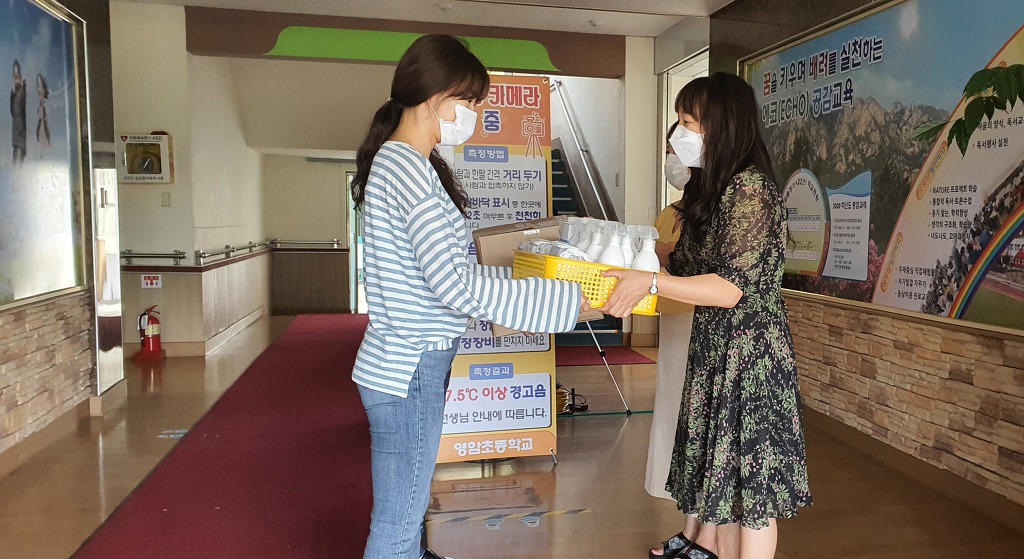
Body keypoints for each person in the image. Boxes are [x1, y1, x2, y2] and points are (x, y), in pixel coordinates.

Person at [350, 34, 589, 559]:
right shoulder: (408, 169)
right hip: (409, 366)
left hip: (405, 362)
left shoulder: (405, 163)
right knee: (396, 526)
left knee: (407, 515)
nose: (476, 114)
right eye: (471, 101)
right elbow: (453, 283)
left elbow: (447, 273)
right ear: (436, 97)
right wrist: (566, 301)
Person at [602, 72, 812, 559]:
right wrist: (626, 259)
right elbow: (685, 261)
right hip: (715, 347)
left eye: (688, 122)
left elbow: (729, 287)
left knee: (750, 495)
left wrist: (650, 282)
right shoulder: (715, 190)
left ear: (722, 124)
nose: (679, 134)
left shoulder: (751, 189)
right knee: (726, 488)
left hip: (749, 357)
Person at [10, 59, 27, 165]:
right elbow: (12, 110)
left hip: (21, 126)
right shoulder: (13, 92)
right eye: (14, 77)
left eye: (17, 76)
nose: (16, 79)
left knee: (21, 153)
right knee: (15, 151)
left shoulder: (23, 91)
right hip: (15, 125)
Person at [36, 74, 50, 157]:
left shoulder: (47, 103)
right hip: (40, 135)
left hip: (46, 135)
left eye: (41, 86)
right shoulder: (38, 105)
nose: (39, 89)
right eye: (38, 87)